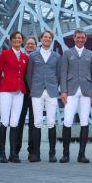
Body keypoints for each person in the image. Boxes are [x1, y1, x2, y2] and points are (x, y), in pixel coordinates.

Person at [60, 30, 92, 163]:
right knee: (68, 120)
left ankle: (81, 154)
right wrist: (63, 91)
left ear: (86, 39)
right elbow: (63, 73)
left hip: (86, 92)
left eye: (82, 38)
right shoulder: (67, 53)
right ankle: (66, 154)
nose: (80, 40)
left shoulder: (91, 54)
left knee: (84, 121)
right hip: (71, 91)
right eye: (78, 38)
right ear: (74, 38)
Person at [26, 30, 61, 163]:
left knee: (51, 122)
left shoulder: (56, 56)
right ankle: (36, 153)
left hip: (51, 92)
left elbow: (58, 74)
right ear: (41, 39)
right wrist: (33, 87)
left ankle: (52, 154)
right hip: (36, 91)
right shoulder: (33, 55)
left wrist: (53, 85)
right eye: (45, 37)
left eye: (49, 37)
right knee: (37, 122)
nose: (47, 39)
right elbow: (29, 75)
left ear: (52, 40)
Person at [0, 31, 29, 163]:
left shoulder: (26, 56)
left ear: (22, 40)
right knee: (4, 121)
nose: (17, 40)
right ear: (11, 40)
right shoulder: (5, 54)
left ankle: (13, 153)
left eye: (19, 38)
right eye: (15, 38)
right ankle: (2, 153)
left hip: (19, 91)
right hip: (6, 90)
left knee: (15, 122)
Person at [16, 36, 37, 160]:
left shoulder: (38, 58)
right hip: (21, 93)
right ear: (25, 45)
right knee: (19, 121)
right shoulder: (21, 57)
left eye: (32, 44)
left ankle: (32, 151)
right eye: (28, 44)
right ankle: (15, 150)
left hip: (34, 93)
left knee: (34, 123)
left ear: (35, 46)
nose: (30, 45)